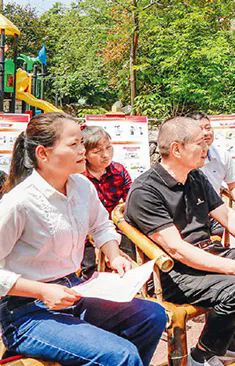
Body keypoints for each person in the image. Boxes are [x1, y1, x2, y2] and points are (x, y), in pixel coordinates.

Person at [0, 113, 168, 366]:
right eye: (73, 144)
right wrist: (42, 290)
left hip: (75, 292)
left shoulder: (81, 186)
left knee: (152, 315)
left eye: (81, 142)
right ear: (43, 154)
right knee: (122, 355)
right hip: (27, 312)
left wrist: (114, 256)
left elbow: (101, 225)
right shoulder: (19, 202)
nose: (82, 150)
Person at [125, 117, 235, 366]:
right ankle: (200, 355)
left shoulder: (196, 177)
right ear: (176, 149)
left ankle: (234, 342)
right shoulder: (145, 191)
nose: (206, 147)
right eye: (200, 142)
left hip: (208, 252)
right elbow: (176, 249)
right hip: (170, 272)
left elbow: (228, 217)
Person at [80, 125, 137, 278]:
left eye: (108, 148)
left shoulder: (119, 171)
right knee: (90, 271)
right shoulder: (78, 177)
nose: (106, 155)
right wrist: (98, 243)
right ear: (84, 154)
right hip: (86, 235)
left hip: (117, 229)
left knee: (129, 266)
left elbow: (132, 203)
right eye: (97, 151)